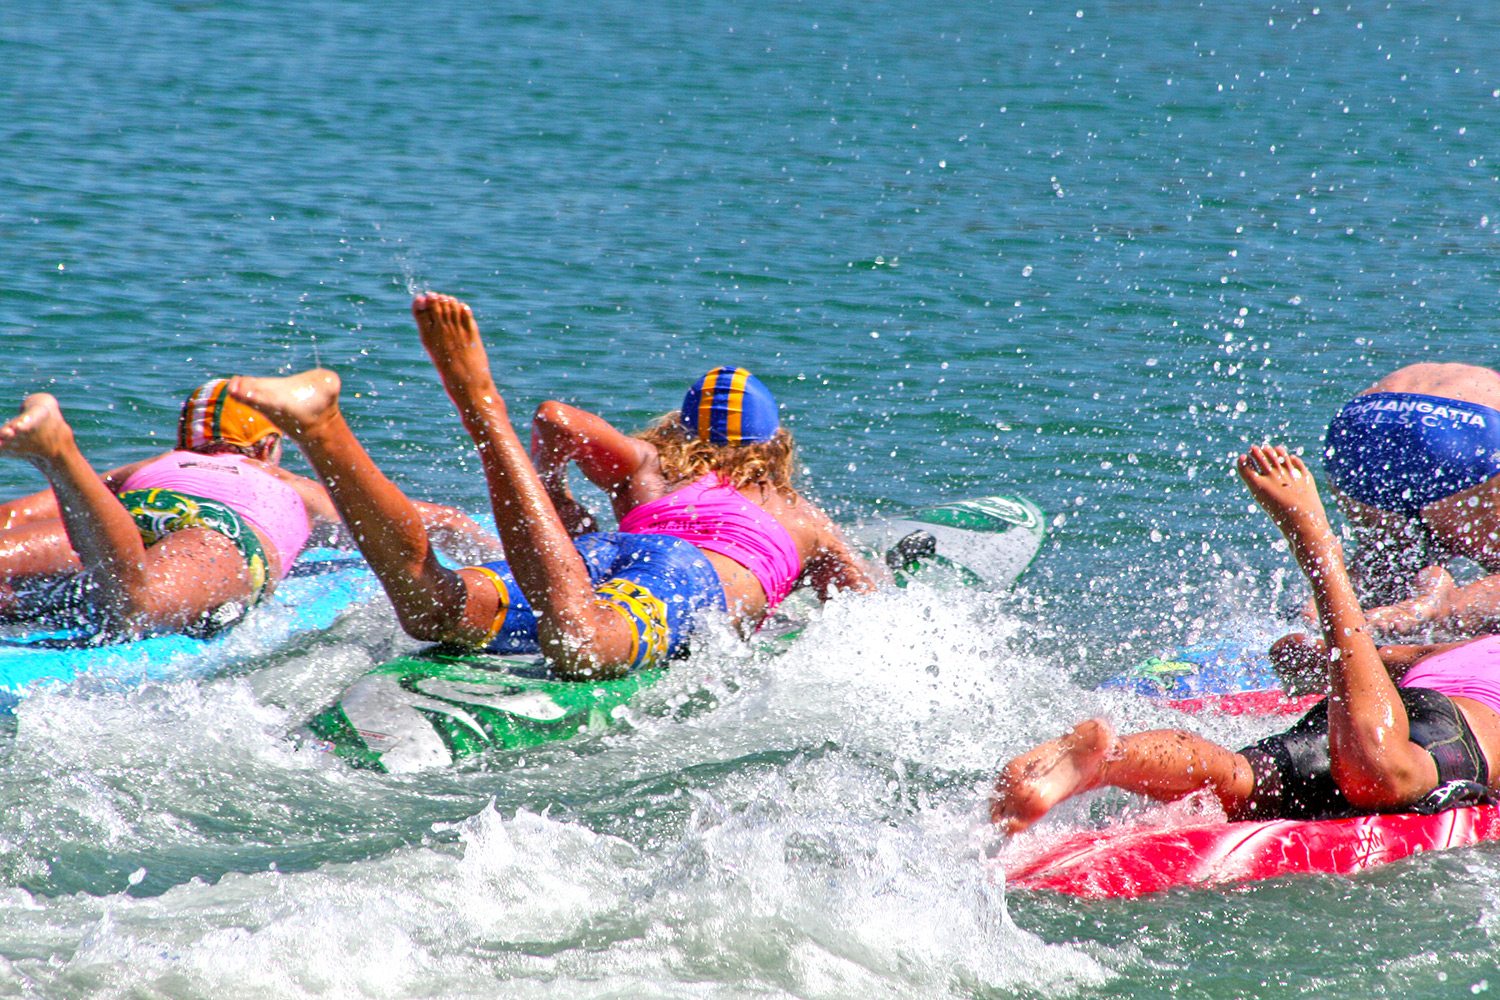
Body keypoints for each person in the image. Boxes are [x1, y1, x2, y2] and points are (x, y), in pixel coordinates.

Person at [227, 292, 880, 680]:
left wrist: (558, 491)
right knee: (583, 647)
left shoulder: (652, 463)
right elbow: (867, 611)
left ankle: (324, 428)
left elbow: (556, 418)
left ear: (681, 428)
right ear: (774, 448)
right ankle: (481, 406)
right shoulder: (800, 513)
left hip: (599, 561)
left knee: (435, 610)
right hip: (691, 576)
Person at [992, 444, 1500, 834]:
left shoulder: (1465, 650)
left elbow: (1386, 660)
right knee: (1383, 778)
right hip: (1441, 734)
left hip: (1390, 705)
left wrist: (1310, 663)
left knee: (1237, 779)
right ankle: (1320, 549)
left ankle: (1104, 758)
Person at [0, 379, 498, 636]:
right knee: (136, 606)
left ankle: (67, 471)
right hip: (219, 532)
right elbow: (436, 524)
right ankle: (60, 455)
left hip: (133, 509)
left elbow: (12, 519)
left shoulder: (156, 463)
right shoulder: (286, 482)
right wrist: (497, 563)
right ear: (265, 447)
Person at [1320, 362, 1500, 639]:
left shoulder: (1464, 376)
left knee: (1388, 557)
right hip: (1469, 428)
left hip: (1363, 423)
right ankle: (1445, 607)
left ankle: (1319, 610)